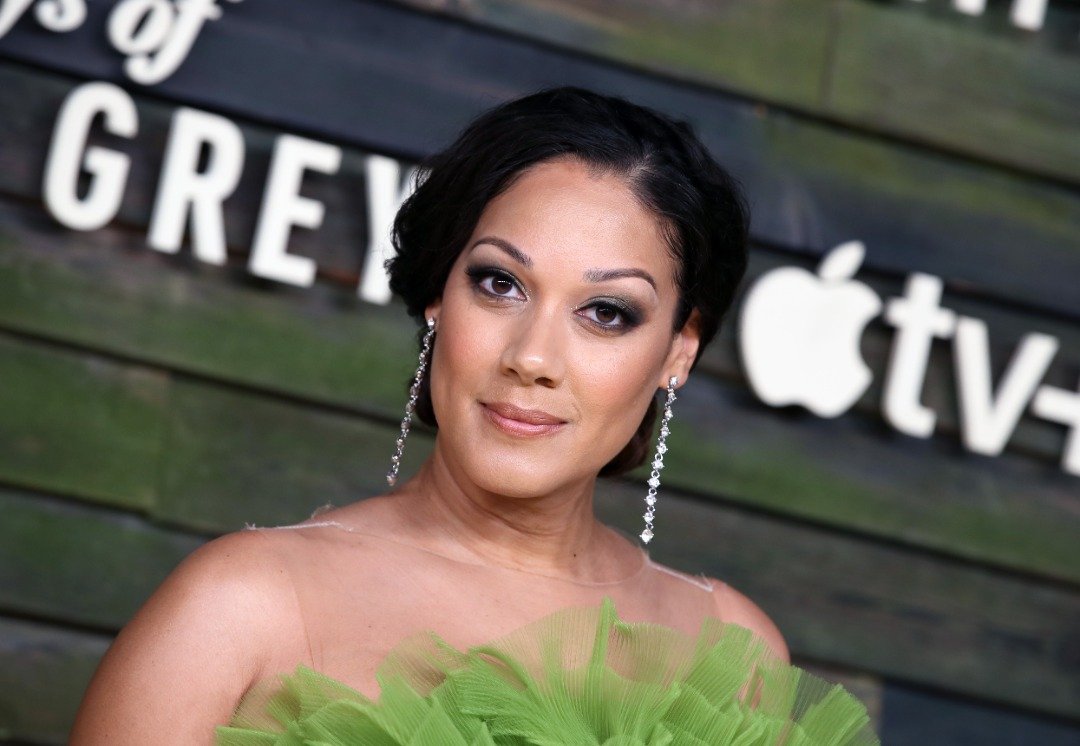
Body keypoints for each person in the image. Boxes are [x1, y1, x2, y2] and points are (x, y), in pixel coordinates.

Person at [71, 86, 878, 744]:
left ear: (677, 351)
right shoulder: (241, 605)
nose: (532, 355)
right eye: (500, 284)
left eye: (607, 312)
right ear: (437, 295)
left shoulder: (732, 651)